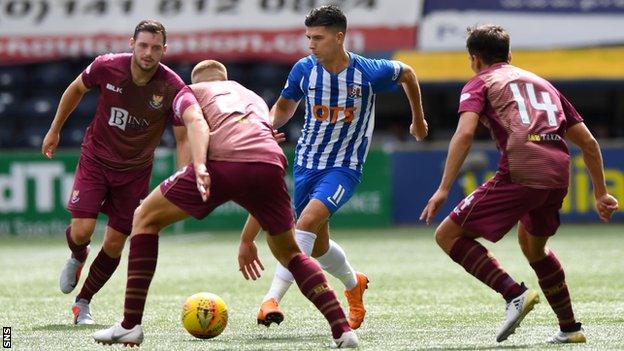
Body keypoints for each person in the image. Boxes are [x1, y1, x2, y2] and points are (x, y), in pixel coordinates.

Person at [92, 60, 359, 348]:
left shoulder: (188, 91)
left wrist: (198, 165)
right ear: (225, 78)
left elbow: (195, 123)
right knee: (291, 253)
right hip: (269, 162)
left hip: (223, 162)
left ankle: (130, 325)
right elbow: (260, 141)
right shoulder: (251, 96)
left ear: (195, 79)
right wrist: (247, 238)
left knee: (144, 217)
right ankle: (342, 330)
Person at [420, 24, 619, 344]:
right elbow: (590, 143)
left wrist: (444, 187)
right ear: (510, 55)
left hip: (522, 169)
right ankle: (570, 328)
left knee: (447, 234)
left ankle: (514, 294)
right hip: (557, 172)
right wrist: (600, 193)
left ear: (474, 59)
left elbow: (465, 133)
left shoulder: (479, 82)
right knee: (533, 246)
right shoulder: (544, 84)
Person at [243, 4, 428, 330]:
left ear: (339, 37)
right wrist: (268, 125)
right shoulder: (304, 70)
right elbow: (284, 106)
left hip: (344, 166)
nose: (311, 44)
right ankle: (352, 282)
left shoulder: (368, 71)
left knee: (306, 223)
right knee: (317, 244)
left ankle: (270, 299)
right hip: (306, 163)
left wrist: (418, 119)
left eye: (318, 37)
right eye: (308, 37)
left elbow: (409, 74)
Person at [41, 19, 189, 325]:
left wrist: (182, 178)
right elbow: (75, 88)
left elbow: (183, 136)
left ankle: (83, 303)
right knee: (81, 232)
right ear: (132, 44)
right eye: (144, 45)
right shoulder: (106, 66)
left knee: (114, 244)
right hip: (96, 160)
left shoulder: (172, 86)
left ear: (165, 50)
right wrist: (54, 129)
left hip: (134, 172)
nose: (149, 52)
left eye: (156, 47)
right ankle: (78, 255)